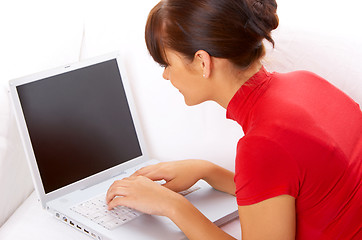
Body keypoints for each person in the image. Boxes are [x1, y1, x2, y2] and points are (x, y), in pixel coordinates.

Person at [106, 0, 362, 239]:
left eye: (166, 64)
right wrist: (206, 170)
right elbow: (286, 188)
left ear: (202, 62)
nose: (166, 76)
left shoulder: (262, 145)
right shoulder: (306, 81)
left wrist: (171, 206)